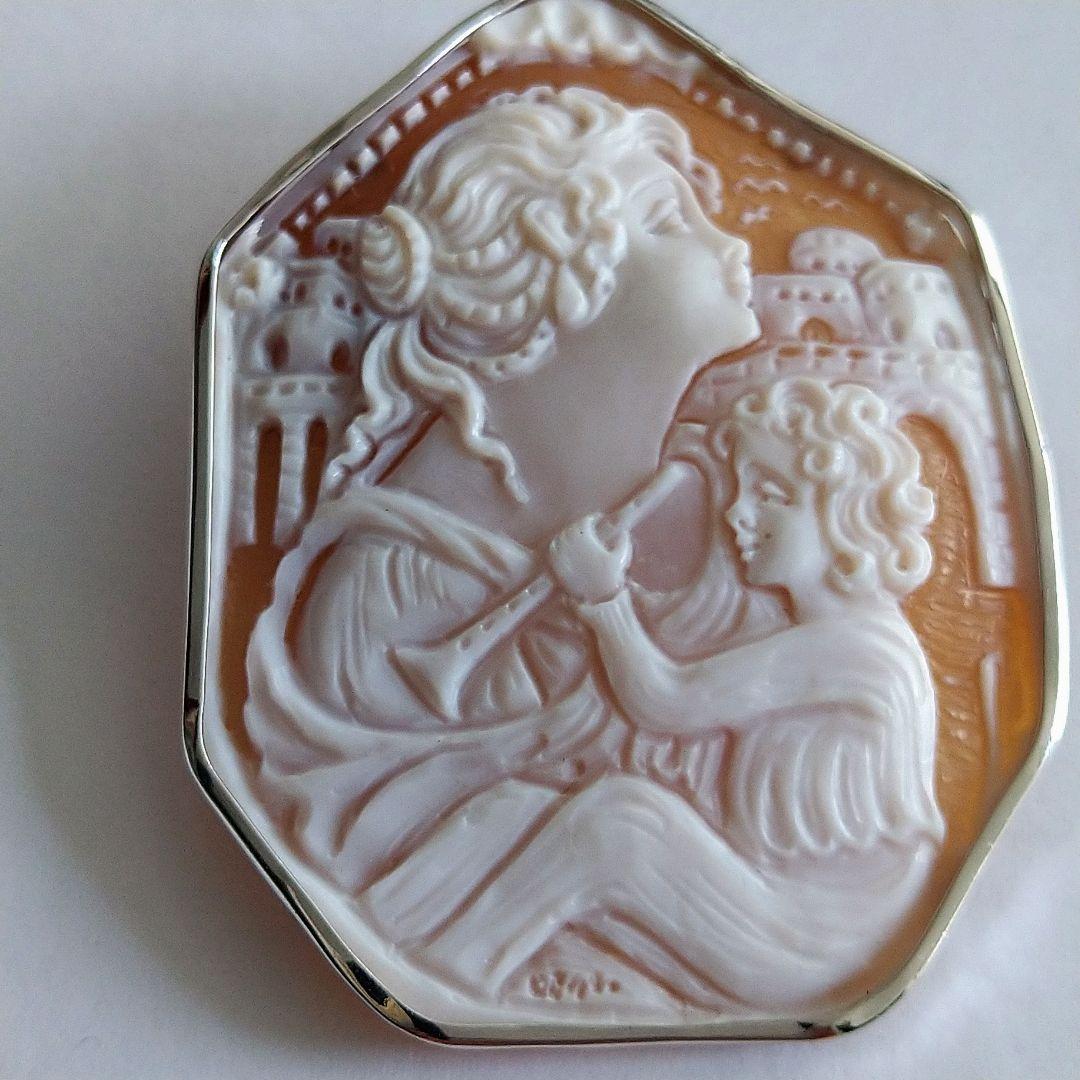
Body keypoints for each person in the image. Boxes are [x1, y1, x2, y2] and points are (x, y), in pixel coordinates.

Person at [242, 83, 941, 1013]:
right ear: (560, 282)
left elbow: (679, 706)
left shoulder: (748, 511)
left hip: (793, 915)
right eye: (669, 221)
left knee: (615, 830)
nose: (734, 245)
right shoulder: (392, 594)